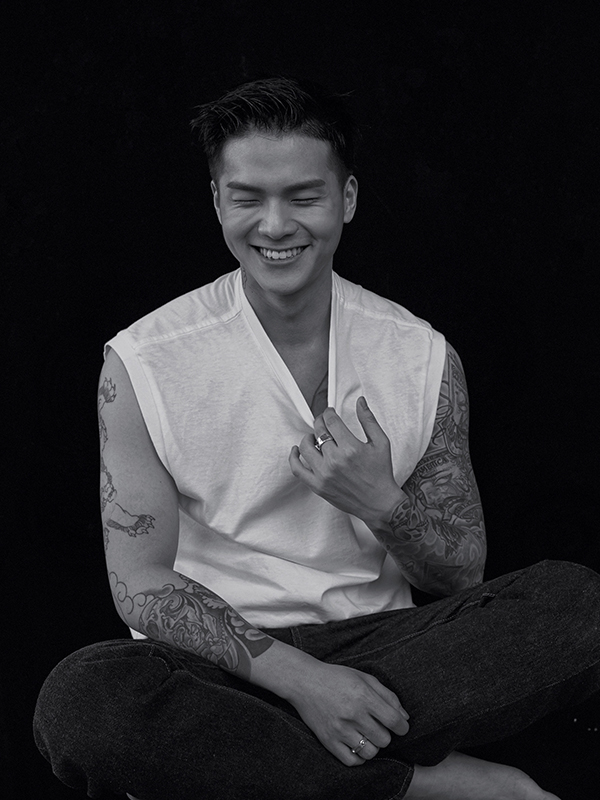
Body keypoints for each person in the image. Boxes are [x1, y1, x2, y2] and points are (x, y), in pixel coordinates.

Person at [33, 76, 599, 800]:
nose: (275, 226)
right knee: (84, 700)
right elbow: (140, 583)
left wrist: (382, 503)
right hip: (221, 664)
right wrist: (304, 682)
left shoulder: (421, 355)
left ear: (347, 199)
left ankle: (259, 762)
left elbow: (460, 575)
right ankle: (424, 784)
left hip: (387, 652)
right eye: (248, 198)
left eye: (304, 197)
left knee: (579, 605)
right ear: (217, 201)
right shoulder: (143, 361)